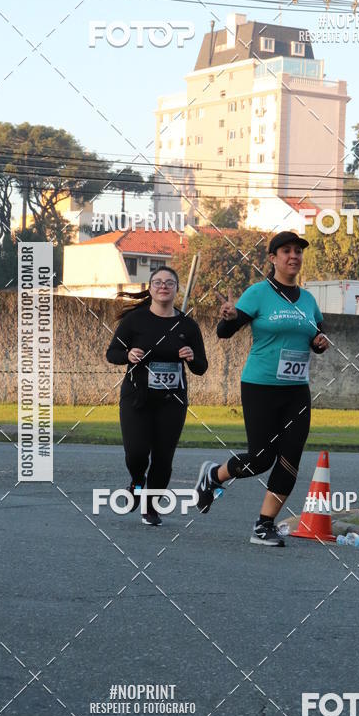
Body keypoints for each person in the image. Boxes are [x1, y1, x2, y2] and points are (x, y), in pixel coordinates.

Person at [193, 232, 329, 546]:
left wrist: (320, 343)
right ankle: (214, 475)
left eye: (298, 252)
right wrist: (228, 317)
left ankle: (263, 525)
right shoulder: (258, 293)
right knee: (261, 458)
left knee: (290, 458)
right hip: (260, 386)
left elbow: (317, 337)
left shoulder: (308, 300)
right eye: (286, 251)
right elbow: (225, 332)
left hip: (296, 390)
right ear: (272, 258)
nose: (293, 256)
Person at [106, 266, 208, 525]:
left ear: (176, 289)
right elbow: (112, 353)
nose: (164, 286)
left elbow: (201, 367)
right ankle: (137, 482)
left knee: (163, 457)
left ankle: (150, 507)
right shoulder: (135, 321)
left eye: (169, 282)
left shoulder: (187, 325)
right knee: (137, 453)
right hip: (136, 397)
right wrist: (128, 355)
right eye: (158, 282)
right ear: (150, 288)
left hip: (172, 401)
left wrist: (192, 357)